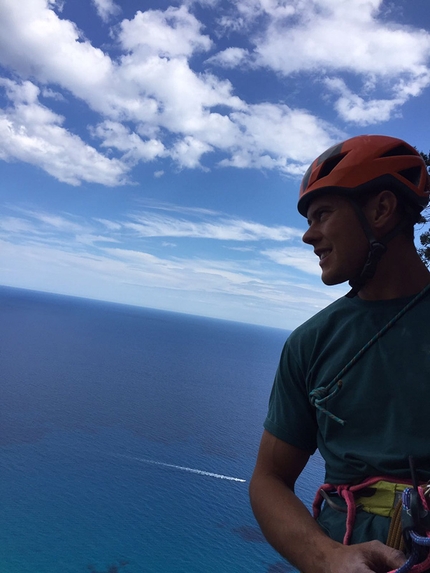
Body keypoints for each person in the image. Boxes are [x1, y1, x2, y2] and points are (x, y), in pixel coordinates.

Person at [249, 134, 430, 573]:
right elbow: (269, 479)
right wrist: (326, 556)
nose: (309, 235)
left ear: (381, 210)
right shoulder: (311, 342)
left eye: (322, 214)